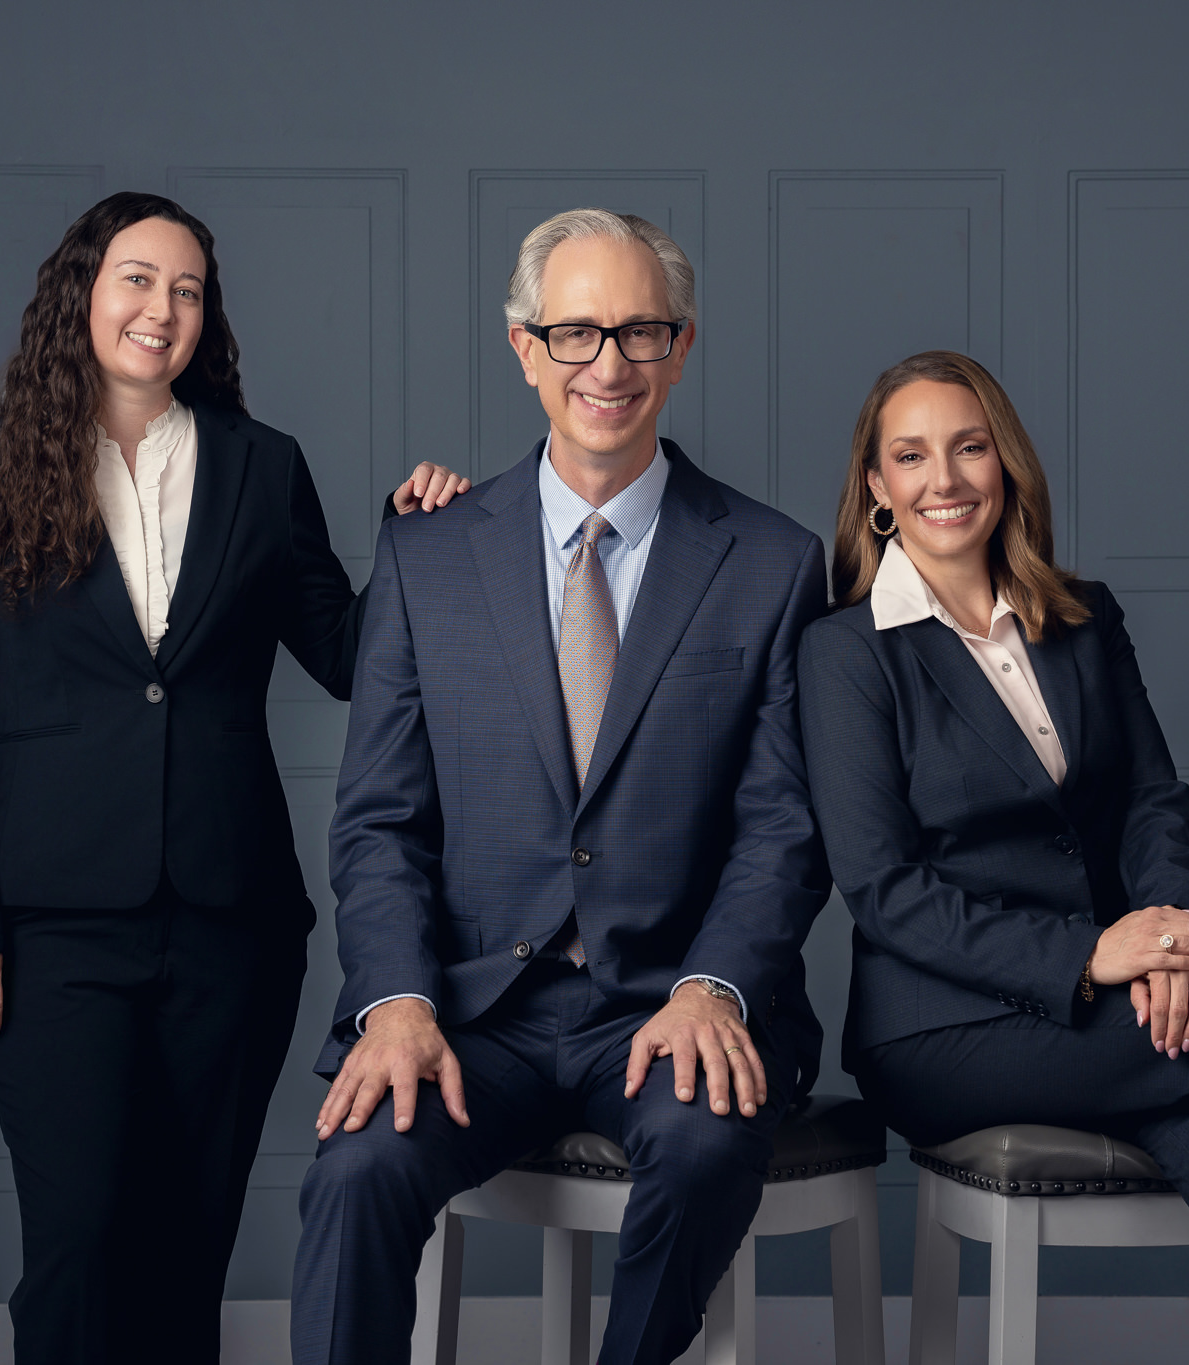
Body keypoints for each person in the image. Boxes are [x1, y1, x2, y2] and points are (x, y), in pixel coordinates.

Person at [0, 190, 464, 1364]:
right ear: (82, 293)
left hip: (230, 923)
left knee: (188, 1241)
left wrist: (413, 542)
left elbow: (345, 657)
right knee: (78, 1240)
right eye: (137, 279)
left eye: (188, 290)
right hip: (51, 929)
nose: (161, 308)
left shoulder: (263, 468)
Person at [799, 350, 1189, 1365]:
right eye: (910, 456)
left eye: (968, 447)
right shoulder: (847, 652)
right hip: (945, 1029)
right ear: (876, 487)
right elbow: (886, 894)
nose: (943, 479)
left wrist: (1177, 939)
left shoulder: (1081, 619)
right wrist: (1094, 956)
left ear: (1005, 462)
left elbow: (1152, 804)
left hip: (1116, 1000)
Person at [289, 209, 829, 1365]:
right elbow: (379, 822)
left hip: (668, 1000)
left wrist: (714, 990)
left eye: (639, 332)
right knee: (356, 1169)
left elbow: (780, 828)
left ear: (680, 348)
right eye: (574, 333)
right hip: (473, 1010)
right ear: (524, 349)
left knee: (703, 1146)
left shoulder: (773, 562)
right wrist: (396, 1002)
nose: (608, 365)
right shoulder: (426, 555)